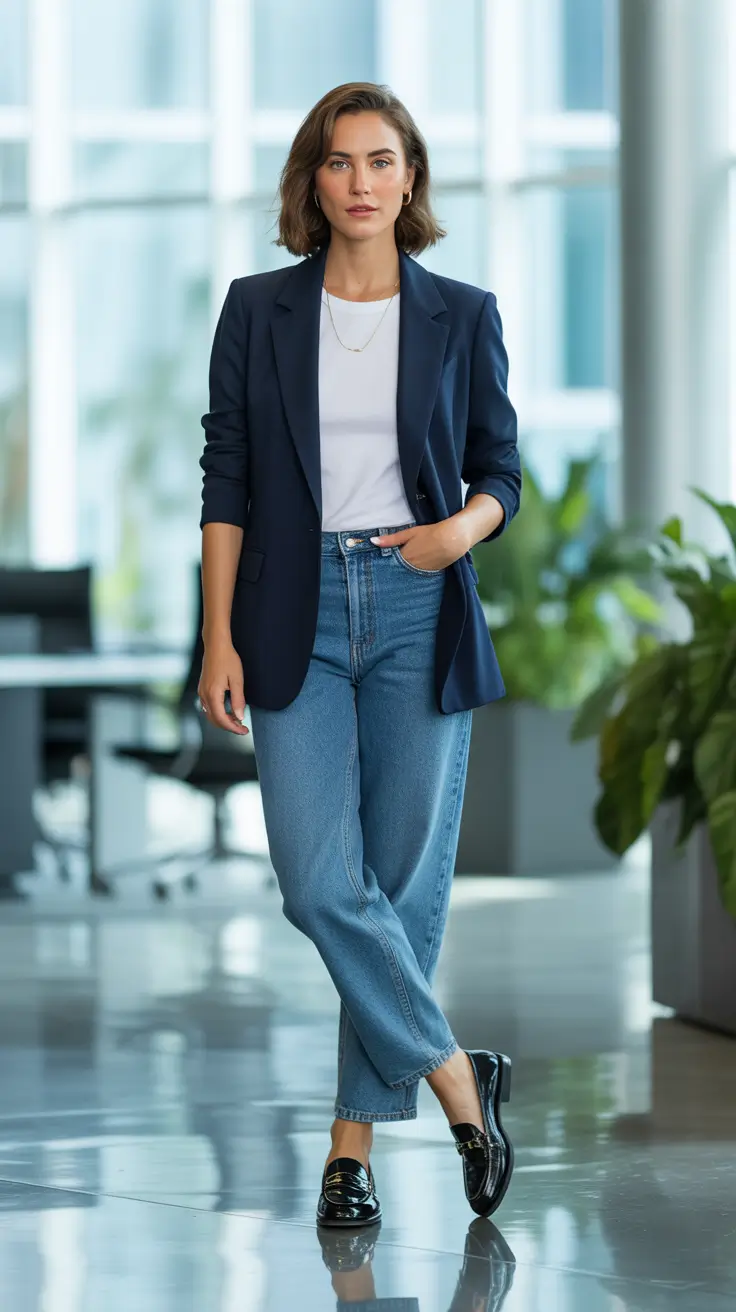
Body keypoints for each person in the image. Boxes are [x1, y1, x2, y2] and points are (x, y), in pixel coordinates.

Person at [197, 82, 521, 1228]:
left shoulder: (461, 313)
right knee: (322, 883)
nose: (363, 183)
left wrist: (457, 532)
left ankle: (350, 1150)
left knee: (394, 892)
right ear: (313, 182)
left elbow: (502, 473)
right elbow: (224, 479)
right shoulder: (257, 309)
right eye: (341, 164)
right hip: (294, 611)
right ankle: (455, 1081)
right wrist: (215, 634)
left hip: (417, 602)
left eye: (383, 161)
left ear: (411, 178)